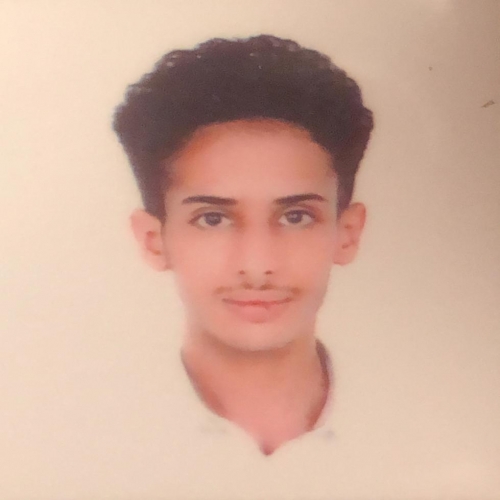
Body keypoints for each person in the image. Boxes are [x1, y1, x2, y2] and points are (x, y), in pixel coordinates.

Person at [112, 34, 374, 456]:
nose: (257, 265)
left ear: (348, 233)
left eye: (296, 217)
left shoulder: (423, 429)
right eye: (213, 219)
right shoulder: (90, 441)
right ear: (153, 240)